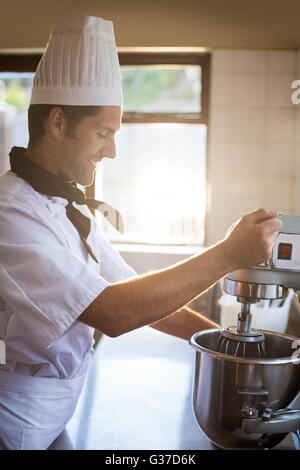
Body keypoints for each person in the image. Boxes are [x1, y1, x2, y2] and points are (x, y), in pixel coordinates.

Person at [0, 15, 282, 450]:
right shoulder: (11, 213)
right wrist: (229, 253)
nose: (112, 150)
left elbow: (133, 292)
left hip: (58, 412)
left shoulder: (69, 206)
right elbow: (115, 312)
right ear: (58, 123)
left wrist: (225, 348)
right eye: (103, 133)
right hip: (15, 420)